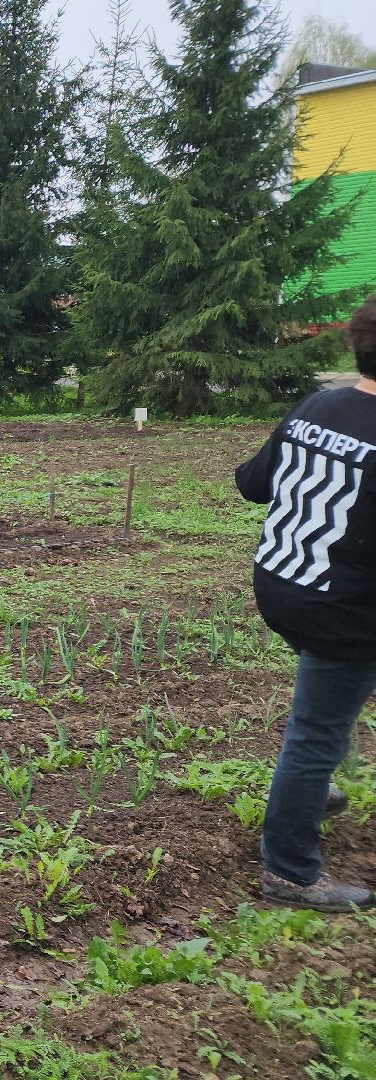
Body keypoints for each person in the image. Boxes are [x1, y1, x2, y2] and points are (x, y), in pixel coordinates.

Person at [237, 294, 376, 913]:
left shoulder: (318, 405)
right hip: (340, 611)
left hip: (280, 585)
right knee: (315, 731)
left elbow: (252, 483)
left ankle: (309, 789)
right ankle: (289, 871)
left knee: (329, 703)